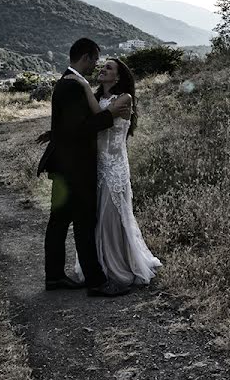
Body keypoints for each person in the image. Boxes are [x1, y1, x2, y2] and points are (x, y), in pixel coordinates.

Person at [36, 38, 132, 297]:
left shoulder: (68, 82)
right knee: (83, 223)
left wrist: (53, 133)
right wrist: (109, 115)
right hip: (75, 168)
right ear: (87, 57)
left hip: (64, 166)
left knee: (58, 222)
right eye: (95, 60)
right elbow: (81, 129)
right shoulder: (74, 85)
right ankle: (97, 282)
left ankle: (55, 277)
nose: (96, 66)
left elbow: (68, 125)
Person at [67, 57, 162, 286]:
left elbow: (103, 117)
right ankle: (97, 267)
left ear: (118, 77)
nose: (103, 69)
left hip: (115, 166)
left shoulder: (124, 98)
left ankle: (116, 267)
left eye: (108, 68)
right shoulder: (97, 97)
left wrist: (82, 84)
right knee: (96, 219)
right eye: (102, 66)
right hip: (96, 165)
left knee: (111, 218)